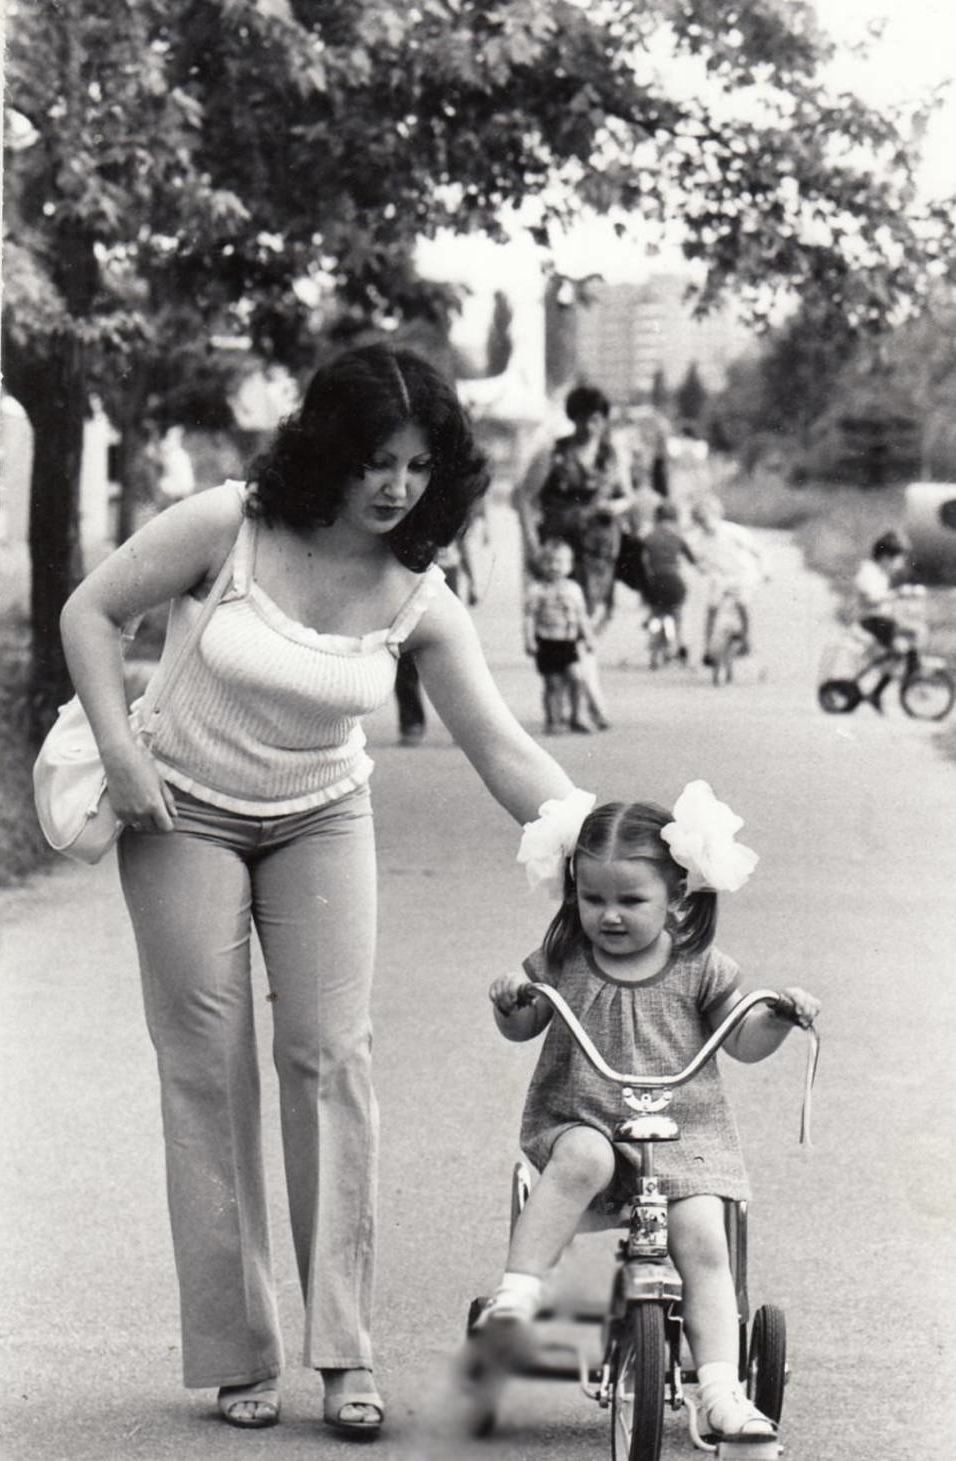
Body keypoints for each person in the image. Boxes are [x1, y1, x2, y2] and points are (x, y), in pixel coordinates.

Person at [59, 343, 583, 1438]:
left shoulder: (418, 594)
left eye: (418, 464)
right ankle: (238, 1350)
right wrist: (119, 750)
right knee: (207, 1069)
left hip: (320, 818)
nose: (396, 486)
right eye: (376, 460)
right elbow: (91, 615)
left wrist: (605, 833)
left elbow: (499, 748)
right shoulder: (229, 526)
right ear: (329, 453)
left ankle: (345, 1352)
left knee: (330, 1059)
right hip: (180, 810)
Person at [476, 785, 820, 1444]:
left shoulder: (701, 967)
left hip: (683, 1135)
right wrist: (510, 1000)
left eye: (631, 900)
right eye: (592, 897)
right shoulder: (565, 959)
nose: (608, 914)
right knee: (584, 1156)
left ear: (677, 897)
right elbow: (524, 1024)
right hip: (582, 1115)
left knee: (704, 1239)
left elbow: (742, 1042)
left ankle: (720, 1388)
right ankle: (517, 1296)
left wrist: (775, 1016)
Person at [515, 385, 628, 590]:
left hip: (598, 552)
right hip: (558, 550)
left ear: (603, 421)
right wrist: (532, 545)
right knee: (554, 612)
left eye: (595, 420)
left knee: (589, 615)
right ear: (573, 418)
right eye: (582, 419)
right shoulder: (553, 453)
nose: (589, 427)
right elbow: (523, 497)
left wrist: (614, 507)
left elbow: (628, 497)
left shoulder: (612, 456)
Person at [393, 534, 479, 745]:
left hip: (446, 574)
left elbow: (462, 543)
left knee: (452, 660)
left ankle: (462, 725)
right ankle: (412, 722)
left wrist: (473, 580)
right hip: (409, 576)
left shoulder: (451, 509)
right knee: (405, 656)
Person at [523, 539, 609, 735]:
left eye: (560, 562)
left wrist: (589, 638)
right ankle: (553, 719)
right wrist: (528, 640)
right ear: (541, 565)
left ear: (569, 565)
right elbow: (529, 618)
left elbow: (582, 617)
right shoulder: (536, 590)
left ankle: (577, 716)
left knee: (577, 678)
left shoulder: (574, 589)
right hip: (546, 643)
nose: (554, 567)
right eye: (549, 562)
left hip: (568, 643)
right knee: (552, 684)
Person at [690, 497, 769, 666]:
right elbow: (699, 560)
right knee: (712, 607)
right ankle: (709, 648)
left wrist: (765, 570)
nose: (705, 524)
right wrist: (702, 568)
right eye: (700, 520)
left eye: (707, 518)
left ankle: (746, 640)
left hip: (742, 574)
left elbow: (757, 550)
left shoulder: (733, 531)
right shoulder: (700, 539)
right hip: (720, 577)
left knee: (742, 603)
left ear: (717, 515)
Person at [852, 531, 919, 711]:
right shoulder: (867, 572)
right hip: (871, 620)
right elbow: (870, 599)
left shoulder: (879, 573)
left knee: (904, 645)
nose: (899, 565)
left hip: (879, 620)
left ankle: (880, 690)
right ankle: (912, 676)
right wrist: (895, 595)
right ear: (885, 558)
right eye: (897, 560)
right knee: (905, 642)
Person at [640, 501, 698, 663]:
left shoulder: (648, 537)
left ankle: (653, 644)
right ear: (675, 519)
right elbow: (693, 560)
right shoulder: (678, 538)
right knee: (678, 614)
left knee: (655, 611)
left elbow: (640, 560)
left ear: (656, 518)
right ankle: (679, 645)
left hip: (653, 583)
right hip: (674, 582)